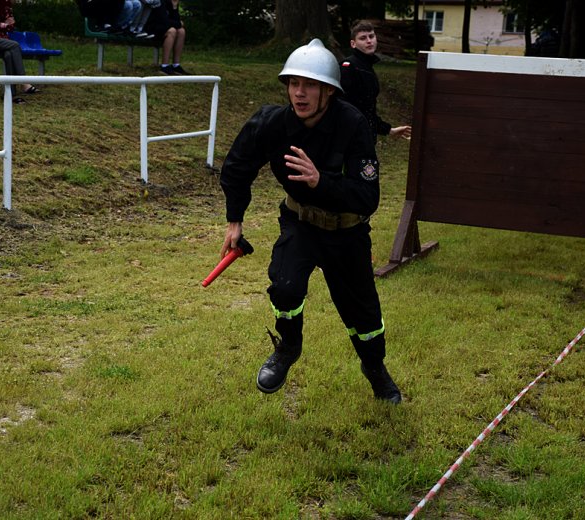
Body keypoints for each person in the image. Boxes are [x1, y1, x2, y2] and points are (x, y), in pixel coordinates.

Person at [219, 39, 402, 404]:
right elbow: (237, 167)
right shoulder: (272, 123)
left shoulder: (353, 125)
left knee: (365, 318)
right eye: (293, 83)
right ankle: (288, 346)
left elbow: (368, 197)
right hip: (300, 223)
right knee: (284, 286)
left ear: (329, 91)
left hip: (347, 232)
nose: (299, 93)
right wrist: (234, 222)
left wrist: (322, 181)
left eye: (310, 85)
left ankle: (375, 369)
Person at [340, 21, 411, 141]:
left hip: (364, 139)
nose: (369, 41)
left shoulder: (367, 68)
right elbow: (340, 105)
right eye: (363, 38)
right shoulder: (348, 67)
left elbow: (368, 110)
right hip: (350, 140)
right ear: (353, 44)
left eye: (371, 36)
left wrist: (388, 130)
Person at [0, 0, 42, 105]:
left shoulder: (6, 2)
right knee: (15, 45)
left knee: (9, 54)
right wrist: (2, 24)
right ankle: (23, 82)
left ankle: (12, 95)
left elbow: (10, 27)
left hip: (3, 39)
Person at [145, 0, 190, 75]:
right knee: (172, 31)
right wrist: (179, 23)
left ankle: (176, 65)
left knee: (181, 31)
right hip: (151, 26)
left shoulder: (171, 2)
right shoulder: (159, 1)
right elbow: (164, 20)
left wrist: (175, 7)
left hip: (163, 26)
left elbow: (175, 19)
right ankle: (164, 66)